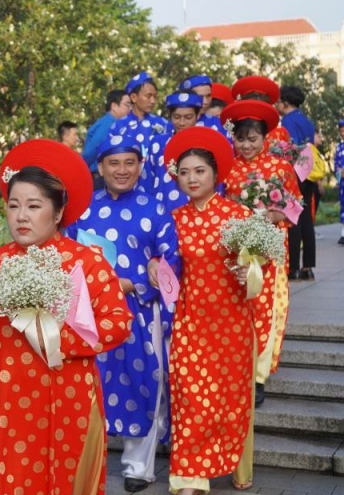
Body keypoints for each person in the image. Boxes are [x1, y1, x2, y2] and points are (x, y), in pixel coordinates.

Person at [0, 139, 132, 494]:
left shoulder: (86, 262)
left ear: (58, 212)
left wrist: (59, 339)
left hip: (67, 394)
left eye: (33, 206)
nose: (21, 216)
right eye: (14, 206)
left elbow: (118, 323)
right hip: (7, 394)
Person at [67, 134, 180, 494]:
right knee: (89, 383)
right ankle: (85, 462)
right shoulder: (81, 208)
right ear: (99, 167)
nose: (122, 170)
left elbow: (171, 260)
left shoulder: (156, 209)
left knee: (143, 382)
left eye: (129, 162)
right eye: (113, 163)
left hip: (140, 313)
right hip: (87, 311)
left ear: (140, 166)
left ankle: (139, 467)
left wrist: (145, 279)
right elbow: (65, 253)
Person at [163, 126, 258, 494]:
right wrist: (157, 268)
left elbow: (261, 266)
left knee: (230, 401)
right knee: (190, 399)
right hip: (190, 321)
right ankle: (191, 478)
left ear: (216, 174)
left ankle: (234, 464)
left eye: (199, 171)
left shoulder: (239, 216)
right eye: (184, 172)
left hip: (231, 322)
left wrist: (247, 268)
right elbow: (165, 263)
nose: (191, 178)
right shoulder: (172, 219)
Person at [220, 100, 302, 408]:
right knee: (237, 308)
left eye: (252, 138)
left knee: (266, 308)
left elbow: (295, 207)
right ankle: (237, 370)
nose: (246, 145)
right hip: (236, 249)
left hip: (269, 251)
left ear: (265, 137)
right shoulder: (227, 167)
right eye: (240, 138)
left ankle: (258, 376)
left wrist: (275, 216)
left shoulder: (280, 167)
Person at [276, 86, 318, 281]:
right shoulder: (307, 120)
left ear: (285, 102)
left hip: (294, 173)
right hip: (309, 172)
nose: (276, 104)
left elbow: (288, 148)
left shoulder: (287, 121)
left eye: (278, 101)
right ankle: (308, 267)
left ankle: (292, 267)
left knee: (293, 218)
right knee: (306, 219)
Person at [141, 90, 204, 211]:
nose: (182, 122)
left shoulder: (207, 143)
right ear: (170, 116)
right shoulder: (158, 143)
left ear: (198, 115)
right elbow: (146, 180)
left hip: (197, 213)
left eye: (188, 117)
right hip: (162, 210)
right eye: (176, 117)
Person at [83, 89, 132, 188]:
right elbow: (92, 150)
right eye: (127, 105)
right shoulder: (108, 124)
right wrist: (81, 170)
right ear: (114, 106)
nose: (130, 109)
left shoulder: (115, 124)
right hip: (99, 178)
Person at [109, 71, 171, 149]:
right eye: (148, 96)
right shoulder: (118, 127)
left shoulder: (163, 124)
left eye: (155, 96)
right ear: (134, 97)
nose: (153, 101)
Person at [335, 120, 344, 245]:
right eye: (341, 131)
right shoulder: (339, 147)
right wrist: (339, 173)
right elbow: (335, 164)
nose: (342, 133)